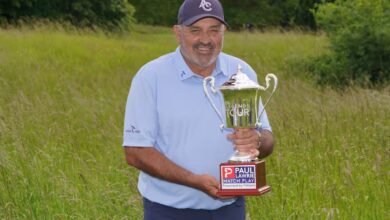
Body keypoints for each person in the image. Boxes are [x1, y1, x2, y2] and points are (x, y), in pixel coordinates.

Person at [123, 0, 275, 219]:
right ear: (178, 33)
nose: (206, 40)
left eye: (214, 30)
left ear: (224, 32)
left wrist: (256, 140)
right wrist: (193, 181)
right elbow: (135, 152)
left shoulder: (241, 73)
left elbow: (268, 139)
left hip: (230, 208)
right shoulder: (150, 77)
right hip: (168, 211)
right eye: (196, 30)